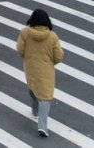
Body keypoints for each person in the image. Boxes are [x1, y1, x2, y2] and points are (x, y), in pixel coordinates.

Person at [17, 8, 64, 138]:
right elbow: (58, 56)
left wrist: (28, 57)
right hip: (46, 69)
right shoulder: (52, 36)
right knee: (45, 96)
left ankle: (34, 110)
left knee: (32, 87)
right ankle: (42, 126)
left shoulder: (25, 32)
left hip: (30, 66)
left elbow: (20, 49)